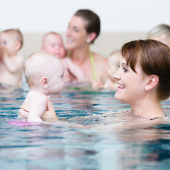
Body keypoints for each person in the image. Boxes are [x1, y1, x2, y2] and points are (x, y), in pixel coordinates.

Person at [18, 40, 170, 128]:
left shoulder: (155, 126)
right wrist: (51, 119)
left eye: (125, 69)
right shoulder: (123, 115)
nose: (115, 75)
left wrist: (54, 123)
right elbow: (88, 127)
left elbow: (92, 132)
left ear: (150, 82)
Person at [66, 9, 108, 84]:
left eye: (76, 30)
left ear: (90, 36)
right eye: (69, 26)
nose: (68, 33)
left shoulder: (103, 65)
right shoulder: (57, 59)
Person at [21, 52, 64, 122]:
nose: (63, 80)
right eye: (61, 76)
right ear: (45, 82)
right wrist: (53, 124)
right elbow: (33, 119)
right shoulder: (41, 98)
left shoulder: (33, 93)